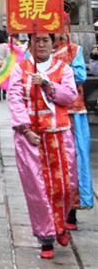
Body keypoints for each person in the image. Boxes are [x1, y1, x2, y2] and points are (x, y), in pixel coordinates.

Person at [7, 33, 78, 259]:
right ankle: (46, 237)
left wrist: (47, 84)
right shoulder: (21, 68)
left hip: (59, 135)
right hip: (32, 137)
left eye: (45, 41)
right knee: (38, 189)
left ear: (53, 43)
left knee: (66, 185)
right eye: (36, 41)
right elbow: (15, 98)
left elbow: (69, 97)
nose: (41, 45)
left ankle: (61, 223)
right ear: (30, 44)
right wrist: (26, 130)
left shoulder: (63, 69)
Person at [54, 34, 93, 220]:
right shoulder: (34, 52)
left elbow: (80, 75)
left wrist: (54, 72)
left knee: (74, 158)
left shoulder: (73, 50)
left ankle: (72, 209)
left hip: (72, 113)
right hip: (47, 113)